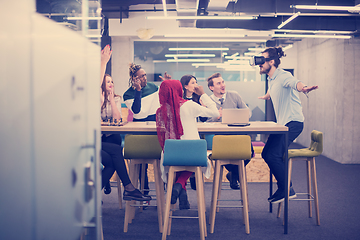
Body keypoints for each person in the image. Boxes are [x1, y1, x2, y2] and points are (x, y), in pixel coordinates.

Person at [257, 46, 318, 204]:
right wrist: (266, 96)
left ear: (272, 62)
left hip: (293, 123)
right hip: (283, 125)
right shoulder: (272, 79)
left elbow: (294, 83)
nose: (259, 64)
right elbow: (274, 89)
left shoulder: (283, 76)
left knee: (273, 155)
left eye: (262, 60)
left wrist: (303, 88)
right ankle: (284, 187)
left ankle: (287, 188)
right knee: (266, 154)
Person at [156, 80, 219, 209]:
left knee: (179, 160)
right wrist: (203, 95)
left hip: (170, 154)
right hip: (193, 154)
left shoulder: (160, 111)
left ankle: (181, 193)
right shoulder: (189, 105)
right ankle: (179, 185)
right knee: (193, 158)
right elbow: (215, 113)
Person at [100, 45, 150, 201]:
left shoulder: (115, 97)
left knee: (114, 157)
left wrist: (110, 98)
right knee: (116, 152)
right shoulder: (94, 96)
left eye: (112, 82)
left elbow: (116, 119)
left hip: (105, 137)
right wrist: (103, 63)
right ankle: (129, 188)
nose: (111, 84)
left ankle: (94, 193)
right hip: (90, 139)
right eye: (107, 81)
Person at [123, 63, 171, 194]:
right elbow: (137, 112)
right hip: (141, 130)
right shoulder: (127, 95)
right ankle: (145, 190)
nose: (145, 78)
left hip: (157, 128)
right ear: (134, 78)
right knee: (141, 163)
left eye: (145, 75)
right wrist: (138, 91)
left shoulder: (153, 87)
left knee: (165, 157)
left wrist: (167, 84)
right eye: (141, 76)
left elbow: (166, 99)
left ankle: (166, 190)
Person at [206, 72, 254, 189]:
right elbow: (205, 123)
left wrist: (241, 115)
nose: (223, 85)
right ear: (211, 88)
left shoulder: (234, 95)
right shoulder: (208, 101)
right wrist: (216, 117)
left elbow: (248, 112)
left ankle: (233, 174)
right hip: (221, 138)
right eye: (218, 83)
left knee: (249, 152)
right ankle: (233, 175)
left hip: (237, 134)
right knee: (227, 155)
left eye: (223, 82)